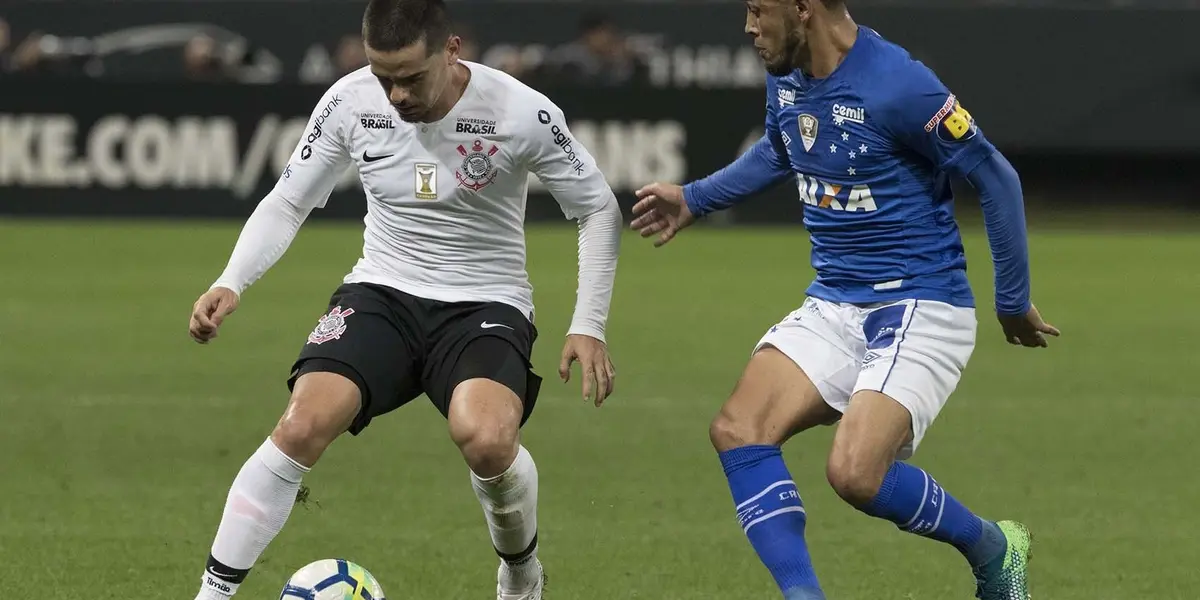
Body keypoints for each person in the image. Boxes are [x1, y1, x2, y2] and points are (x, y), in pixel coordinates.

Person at [187, 1, 621, 598]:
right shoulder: (348, 101)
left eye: (410, 78)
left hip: (483, 302)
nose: (394, 95)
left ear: (452, 50)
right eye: (382, 76)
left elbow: (597, 207)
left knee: (488, 440)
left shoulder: (522, 113)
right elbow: (289, 200)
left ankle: (521, 575)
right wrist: (230, 281)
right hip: (382, 291)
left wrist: (588, 323)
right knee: (300, 425)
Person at [630, 1, 1057, 599]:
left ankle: (994, 547)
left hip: (921, 303)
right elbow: (781, 148)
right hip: (835, 303)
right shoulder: (787, 74)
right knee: (738, 428)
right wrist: (696, 198)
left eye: (758, 10)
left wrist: (1011, 299)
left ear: (803, 8)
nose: (748, 27)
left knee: (855, 475)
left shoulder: (899, 84)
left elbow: (994, 176)